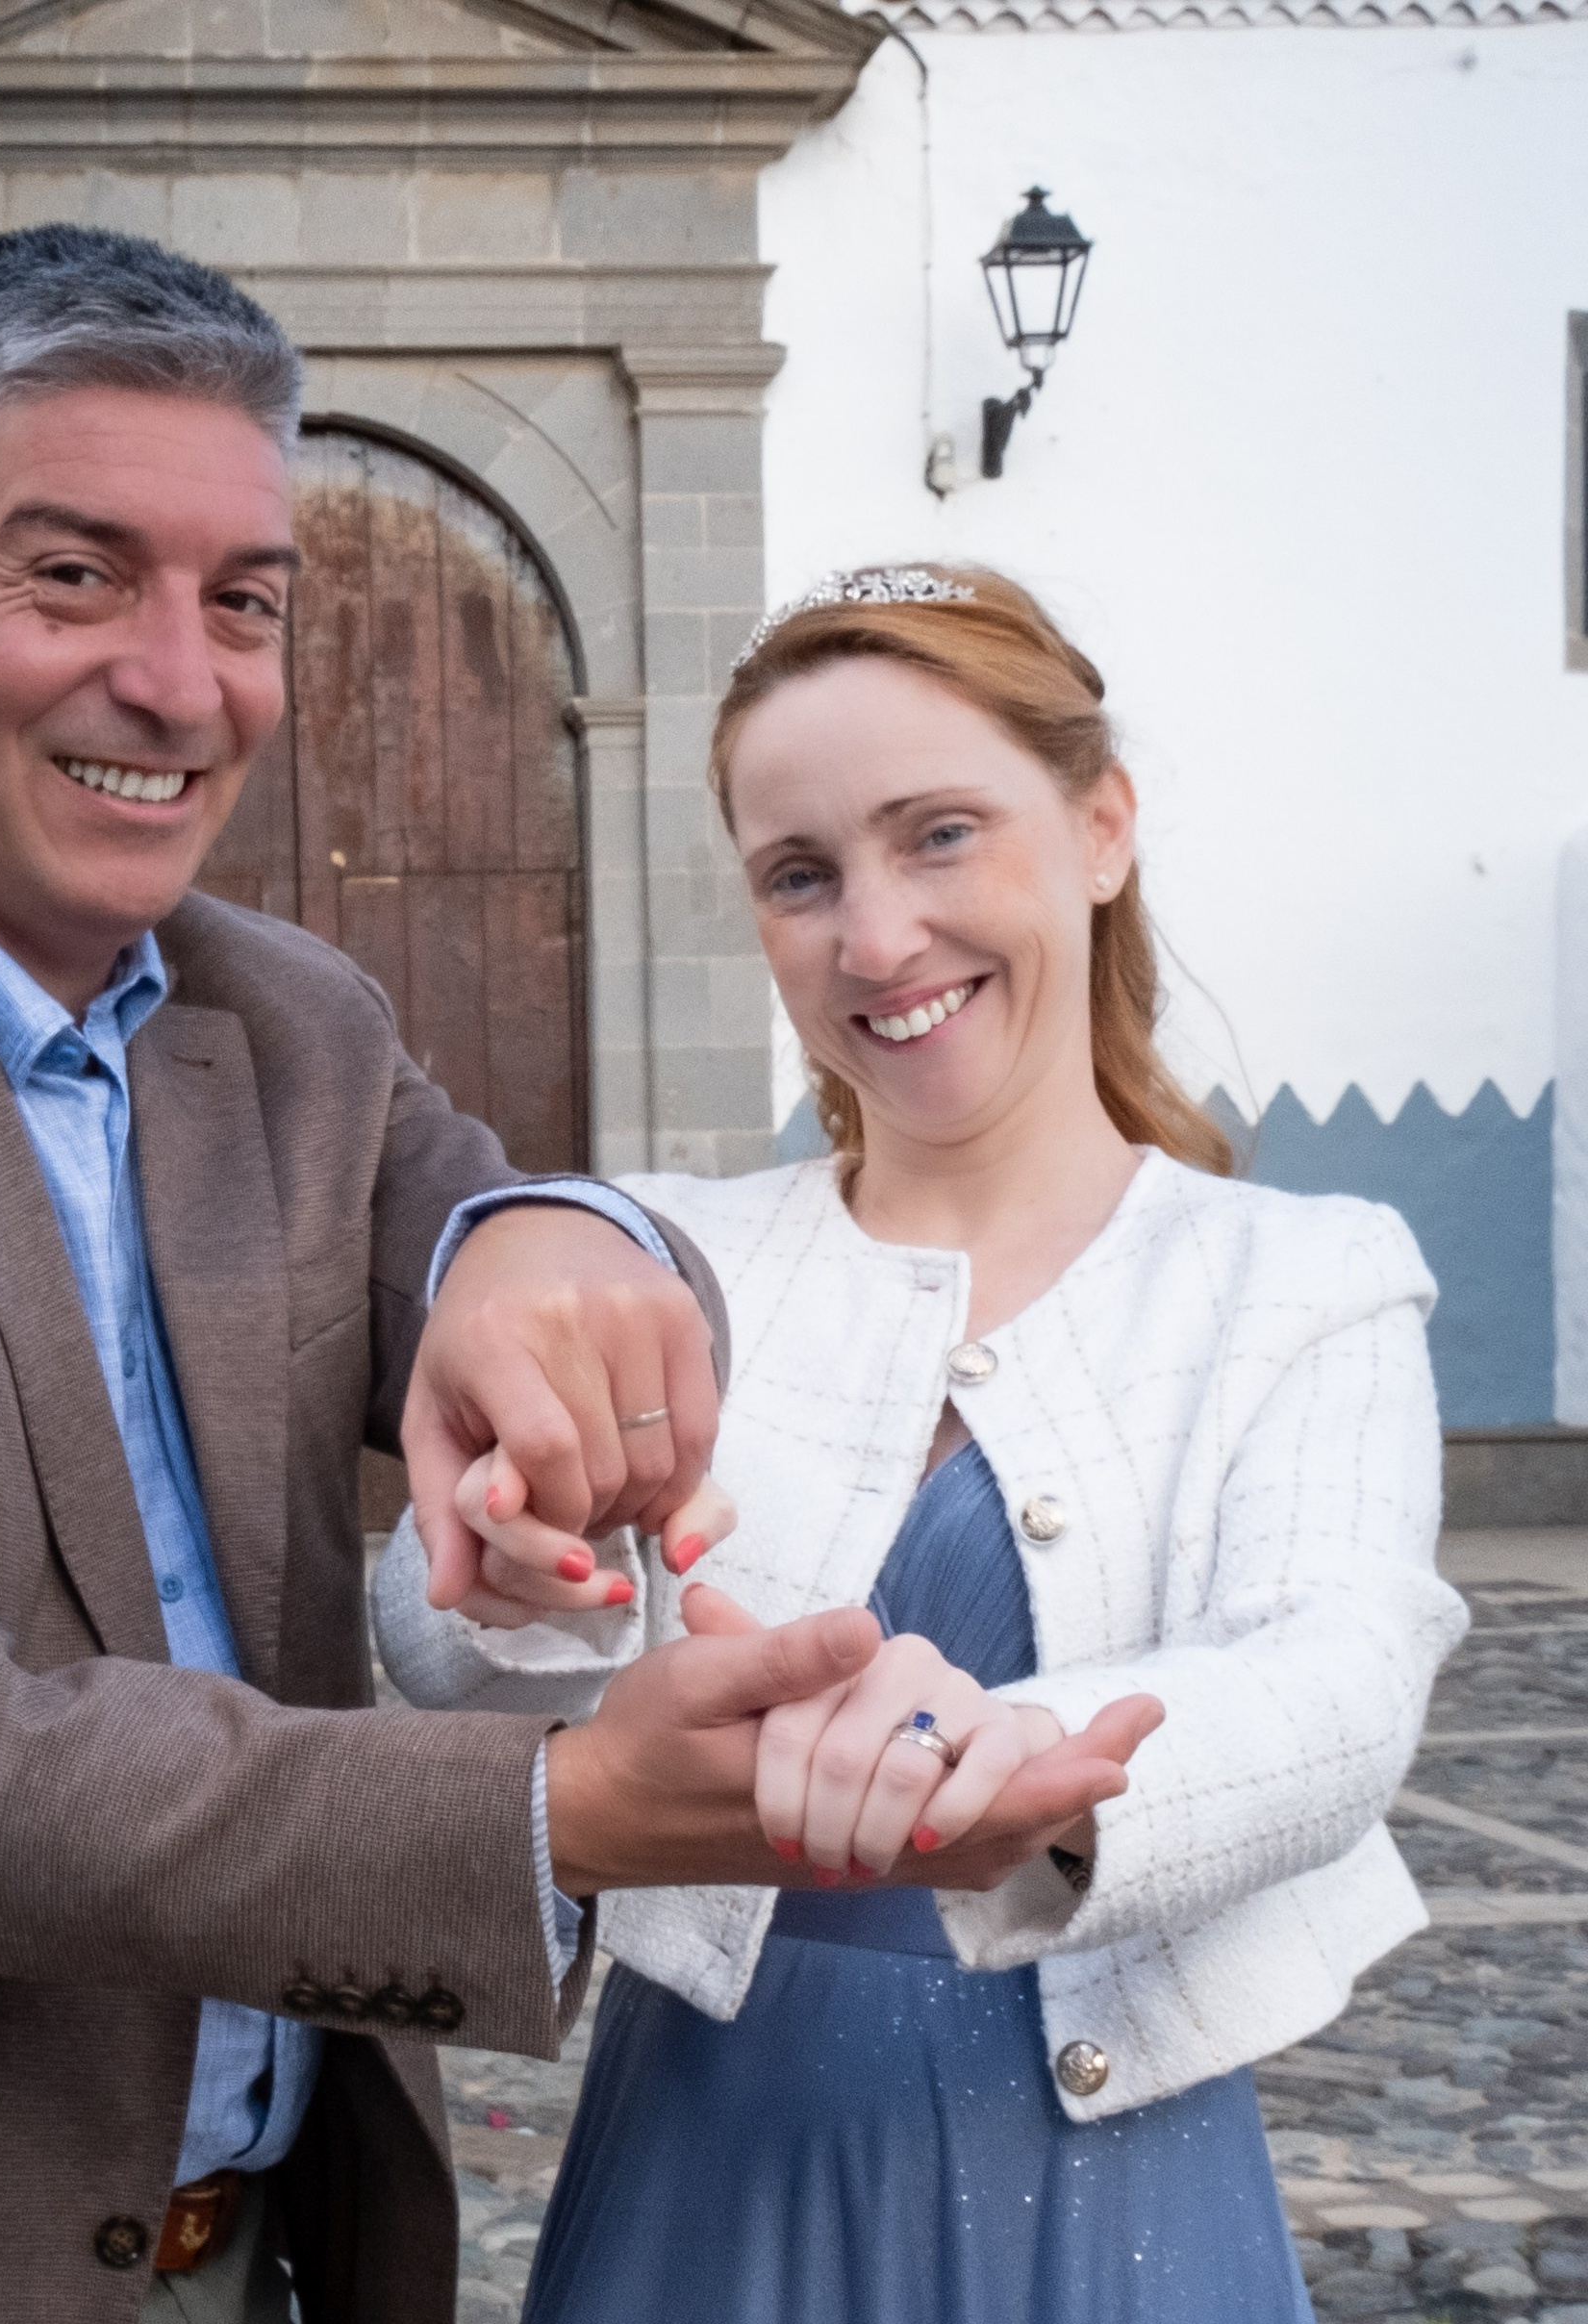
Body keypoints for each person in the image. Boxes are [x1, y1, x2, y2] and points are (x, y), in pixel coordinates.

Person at [0, 231, 1141, 2324]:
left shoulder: (276, 1014)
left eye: (242, 601)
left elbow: (507, 1225)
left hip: (253, 2257)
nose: (179, 677)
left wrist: (540, 1249)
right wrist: (568, 1804)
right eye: (72, 573)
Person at [374, 565, 1468, 2324]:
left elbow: (1341, 1680)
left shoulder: (1303, 1277)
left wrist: (1010, 1760)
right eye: (800, 875)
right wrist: (522, 1575)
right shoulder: (669, 1248)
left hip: (1110, 2185)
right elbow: (429, 1643)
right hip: (710, 2157)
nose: (874, 939)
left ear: (1101, 826)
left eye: (939, 834)